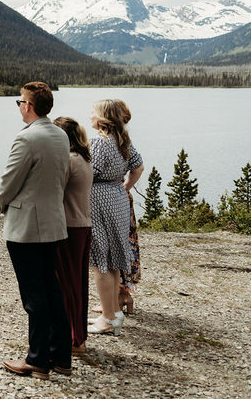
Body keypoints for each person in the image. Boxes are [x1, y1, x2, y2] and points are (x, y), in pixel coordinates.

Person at [0, 82, 72, 380]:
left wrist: (2, 205)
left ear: (28, 106)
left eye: (20, 101)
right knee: (52, 289)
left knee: (34, 294)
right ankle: (61, 357)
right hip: (53, 222)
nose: (19, 106)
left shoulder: (27, 139)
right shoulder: (60, 135)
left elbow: (10, 180)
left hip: (26, 225)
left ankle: (38, 361)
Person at [87, 99, 144, 336]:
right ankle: (113, 313)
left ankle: (108, 318)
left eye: (93, 112)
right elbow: (138, 167)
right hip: (118, 198)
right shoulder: (124, 142)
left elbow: (89, 173)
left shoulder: (99, 142)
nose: (90, 116)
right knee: (113, 260)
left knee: (102, 261)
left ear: (102, 118)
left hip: (99, 200)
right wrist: (125, 187)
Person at [52, 116, 94, 354]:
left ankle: (74, 340)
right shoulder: (84, 159)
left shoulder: (68, 160)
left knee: (66, 283)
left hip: (69, 227)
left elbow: (54, 191)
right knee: (78, 282)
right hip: (83, 226)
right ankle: (79, 336)